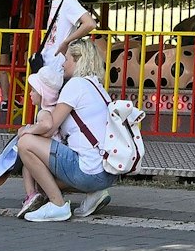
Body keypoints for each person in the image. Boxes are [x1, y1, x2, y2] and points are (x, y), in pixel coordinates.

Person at [13, 37, 119, 222]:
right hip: (106, 174)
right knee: (42, 183)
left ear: (79, 60)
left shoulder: (75, 85)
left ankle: (58, 205)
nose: (63, 64)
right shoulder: (98, 86)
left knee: (26, 144)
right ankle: (95, 193)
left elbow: (48, 128)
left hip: (88, 172)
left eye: (67, 59)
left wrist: (26, 130)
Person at [26, 0, 96, 113]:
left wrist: (66, 42)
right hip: (49, 67)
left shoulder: (68, 2)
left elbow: (90, 23)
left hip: (55, 69)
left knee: (46, 116)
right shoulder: (58, 2)